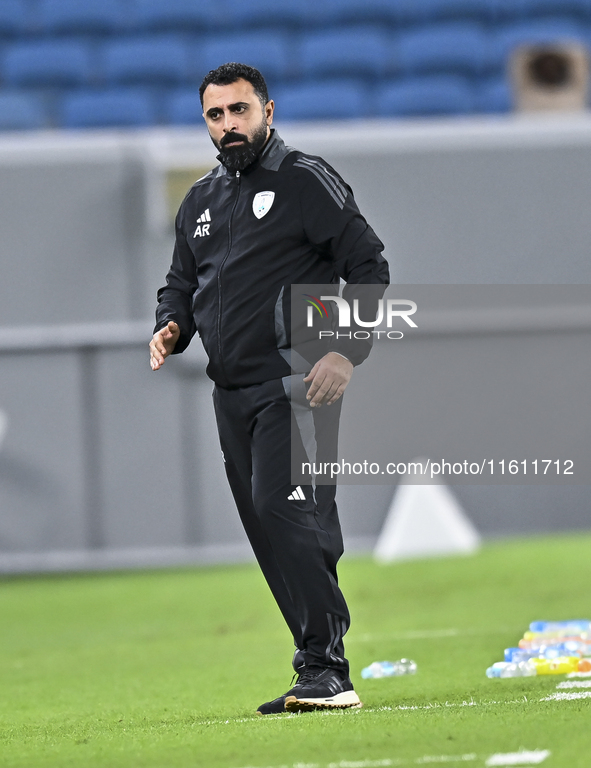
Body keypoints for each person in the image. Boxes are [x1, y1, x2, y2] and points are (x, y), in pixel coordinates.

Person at [149, 62, 389, 715]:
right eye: (215, 115)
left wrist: (343, 349)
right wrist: (170, 325)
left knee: (290, 514)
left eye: (239, 111)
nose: (228, 125)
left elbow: (367, 266)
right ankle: (314, 666)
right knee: (268, 524)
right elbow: (181, 282)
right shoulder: (199, 200)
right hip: (231, 393)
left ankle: (327, 670)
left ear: (268, 111)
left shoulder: (305, 180)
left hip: (296, 383)